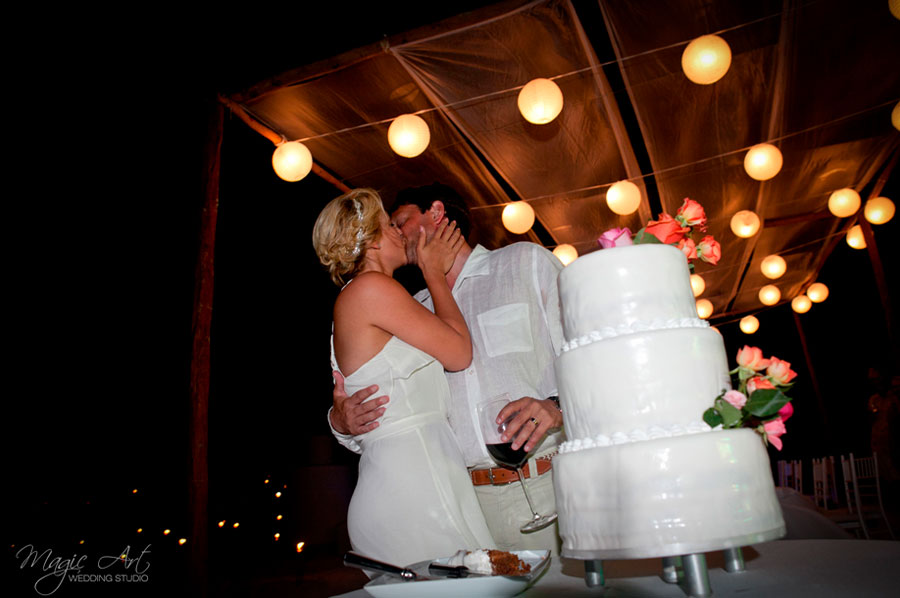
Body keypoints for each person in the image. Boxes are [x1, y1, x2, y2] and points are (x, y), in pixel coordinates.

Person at [329, 183, 565, 555]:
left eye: (400, 221)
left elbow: (582, 355)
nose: (397, 231)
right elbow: (383, 396)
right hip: (458, 498)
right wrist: (339, 421)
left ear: (437, 213)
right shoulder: (413, 306)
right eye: (389, 225)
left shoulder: (525, 263)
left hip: (545, 484)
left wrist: (556, 406)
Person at [312, 188, 494, 567]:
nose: (399, 232)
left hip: (417, 472)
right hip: (412, 483)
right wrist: (434, 272)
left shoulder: (371, 295)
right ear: (372, 241)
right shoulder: (371, 289)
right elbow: (459, 353)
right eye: (389, 225)